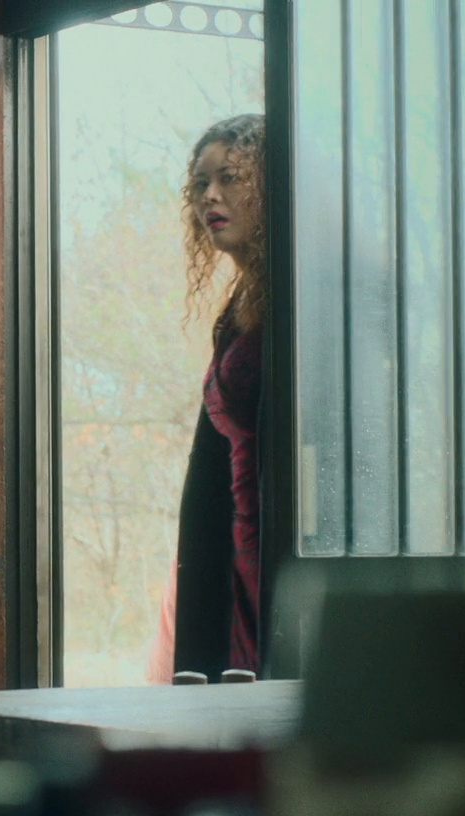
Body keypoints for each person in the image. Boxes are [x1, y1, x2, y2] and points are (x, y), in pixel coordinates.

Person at [146, 113, 267, 683]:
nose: (209, 196)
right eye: (200, 183)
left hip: (276, 540)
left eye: (230, 178)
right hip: (232, 537)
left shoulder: (297, 295)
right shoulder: (240, 307)